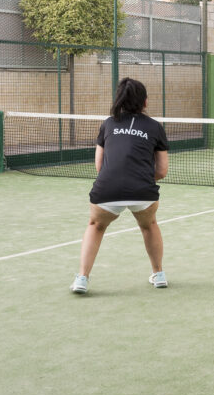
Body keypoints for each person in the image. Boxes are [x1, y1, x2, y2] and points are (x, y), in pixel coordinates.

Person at [70, 77, 169, 295]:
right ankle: (159, 275)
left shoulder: (108, 124)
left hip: (108, 188)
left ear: (119, 99)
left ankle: (82, 279)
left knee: (96, 226)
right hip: (143, 190)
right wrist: (140, 176)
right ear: (144, 102)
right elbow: (161, 171)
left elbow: (100, 166)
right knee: (149, 224)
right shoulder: (155, 127)